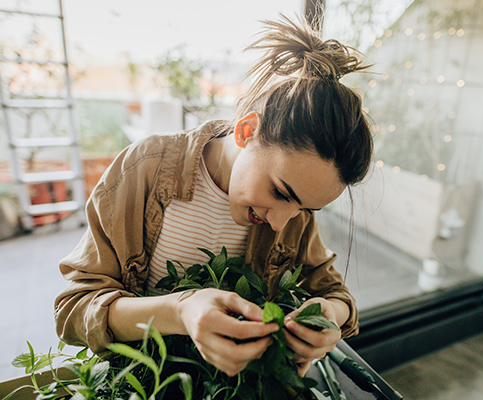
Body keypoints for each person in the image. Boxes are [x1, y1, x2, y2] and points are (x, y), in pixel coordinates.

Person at [55, 15, 373, 378]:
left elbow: (335, 294)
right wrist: (180, 312)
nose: (282, 221)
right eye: (280, 193)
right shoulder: (145, 169)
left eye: (304, 207)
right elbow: (74, 311)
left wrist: (331, 315)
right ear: (246, 130)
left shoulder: (291, 206)